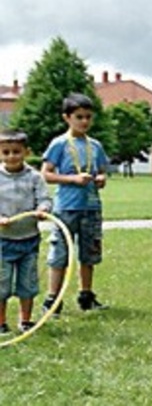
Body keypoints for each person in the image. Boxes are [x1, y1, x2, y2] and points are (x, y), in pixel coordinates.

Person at [40, 92, 110, 316]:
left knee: (89, 254)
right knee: (60, 253)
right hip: (66, 207)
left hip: (91, 207)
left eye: (88, 117)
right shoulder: (59, 144)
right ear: (67, 118)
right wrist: (72, 179)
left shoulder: (95, 146)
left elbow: (101, 171)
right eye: (79, 117)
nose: (85, 121)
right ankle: (53, 300)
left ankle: (86, 295)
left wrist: (100, 180)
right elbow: (46, 174)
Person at [0, 130, 52, 334]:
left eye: (16, 151)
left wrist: (43, 209)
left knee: (27, 283)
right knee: (1, 284)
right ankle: (1, 322)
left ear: (26, 152)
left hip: (28, 241)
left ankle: (26, 321)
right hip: (3, 241)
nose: (11, 156)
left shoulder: (34, 177)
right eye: (6, 152)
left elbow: (45, 199)